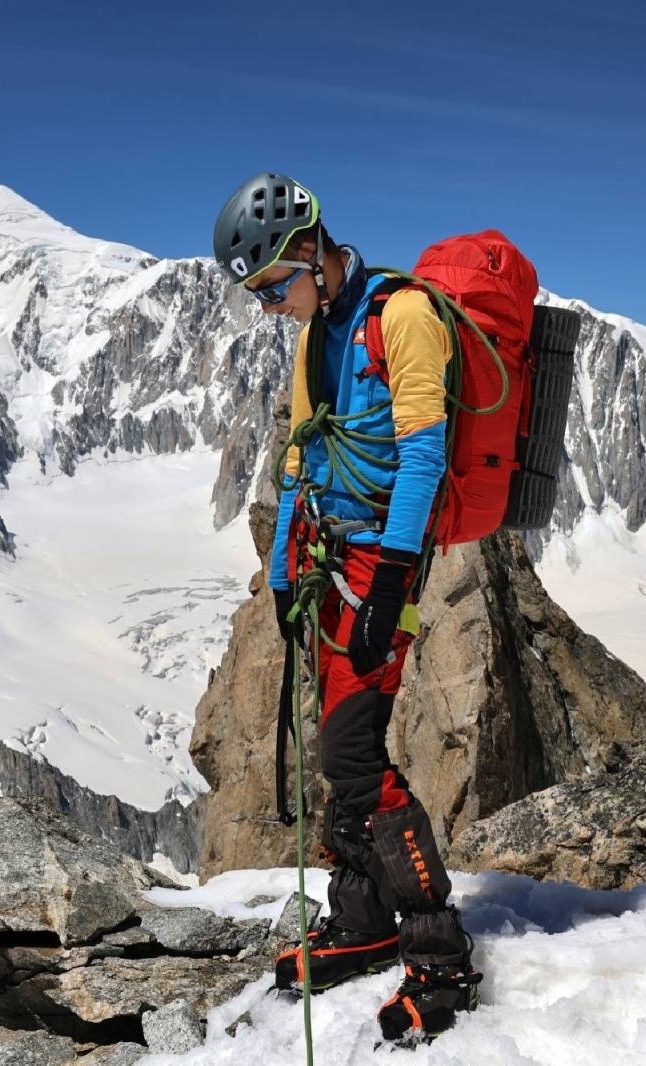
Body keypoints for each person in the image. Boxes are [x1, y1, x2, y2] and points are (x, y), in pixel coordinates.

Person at [212, 172, 481, 1042]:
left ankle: (439, 955)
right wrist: (288, 565)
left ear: (305, 257)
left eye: (267, 288)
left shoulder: (398, 318)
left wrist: (396, 580)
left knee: (355, 750)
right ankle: (365, 917)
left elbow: (425, 454)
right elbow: (300, 454)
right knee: (339, 742)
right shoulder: (318, 334)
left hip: (380, 564)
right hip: (332, 557)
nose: (265, 307)